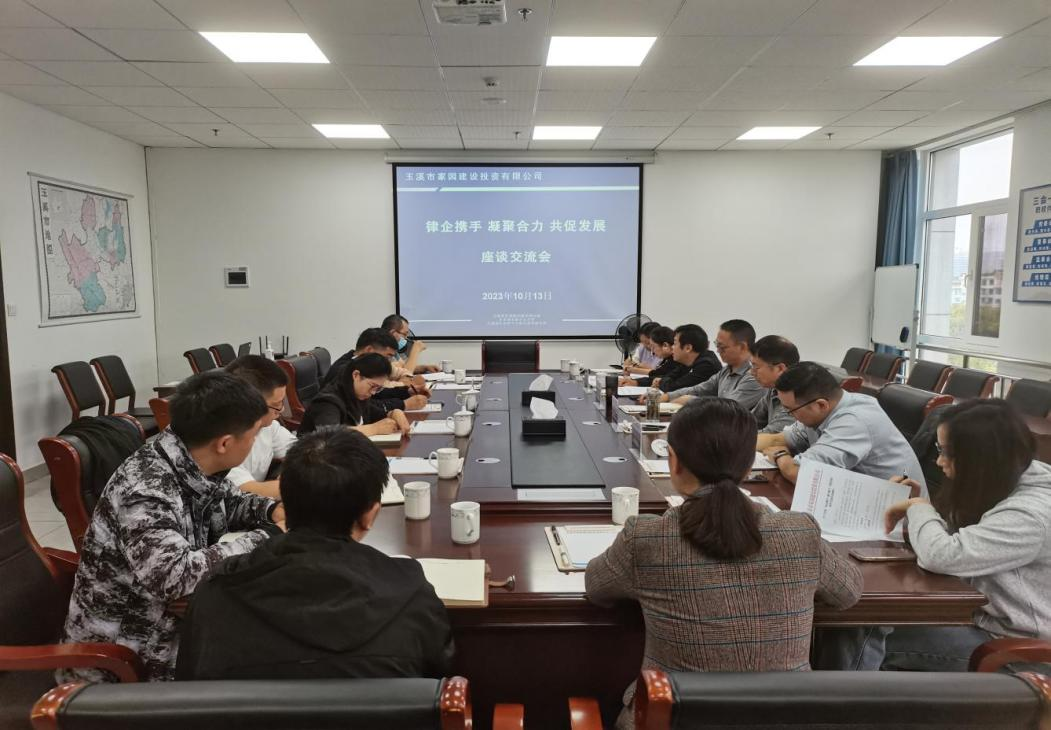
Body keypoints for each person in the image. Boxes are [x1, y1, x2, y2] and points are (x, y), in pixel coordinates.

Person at [586, 398, 863, 729]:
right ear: (749, 467)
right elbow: (849, 592)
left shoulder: (646, 538)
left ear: (673, 461)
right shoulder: (799, 532)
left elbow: (596, 587)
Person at [176, 427, 454, 680]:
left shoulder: (216, 594)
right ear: (370, 515)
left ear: (286, 503)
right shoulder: (410, 594)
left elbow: (191, 694)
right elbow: (438, 685)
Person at [59, 371, 285, 682]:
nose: (256, 440)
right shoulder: (146, 490)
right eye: (255, 434)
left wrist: (272, 510)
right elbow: (176, 576)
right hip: (126, 659)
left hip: (169, 622)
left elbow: (227, 503)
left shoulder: (187, 458)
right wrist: (269, 536)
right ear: (224, 443)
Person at [877, 399, 1051, 672]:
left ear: (981, 456)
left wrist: (919, 507)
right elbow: (964, 538)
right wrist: (918, 506)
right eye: (939, 449)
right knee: (875, 624)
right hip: (979, 619)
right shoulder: (1003, 479)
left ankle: (837, 695)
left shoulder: (1030, 514)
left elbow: (942, 556)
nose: (939, 461)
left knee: (874, 635)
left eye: (947, 452)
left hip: (1015, 647)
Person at [761, 362, 926, 492]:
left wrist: (780, 455)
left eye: (791, 410)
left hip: (897, 515)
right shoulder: (824, 409)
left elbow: (802, 474)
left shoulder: (854, 421)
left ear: (821, 405)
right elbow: (777, 439)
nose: (790, 415)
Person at [225, 355, 296, 499]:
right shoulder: (221, 440)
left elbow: (300, 451)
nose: (282, 410)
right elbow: (248, 491)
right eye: (277, 405)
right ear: (250, 405)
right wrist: (300, 479)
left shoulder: (268, 425)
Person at [299, 353, 410, 436]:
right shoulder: (327, 400)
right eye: (372, 386)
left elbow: (377, 415)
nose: (373, 392)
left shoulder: (357, 394)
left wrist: (393, 413)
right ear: (356, 375)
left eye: (378, 388)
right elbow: (329, 434)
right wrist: (374, 429)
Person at [662, 319, 765, 410]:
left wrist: (691, 400)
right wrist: (667, 396)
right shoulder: (726, 371)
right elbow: (699, 390)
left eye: (722, 347)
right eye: (717, 345)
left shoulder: (754, 375)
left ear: (742, 346)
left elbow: (730, 407)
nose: (718, 350)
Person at [325, 327, 430, 411]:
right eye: (387, 356)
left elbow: (379, 394)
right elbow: (367, 406)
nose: (388, 361)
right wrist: (404, 404)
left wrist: (407, 392)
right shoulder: (345, 372)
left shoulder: (362, 363)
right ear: (369, 350)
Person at [639, 323, 720, 396]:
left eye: (675, 344)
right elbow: (668, 376)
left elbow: (673, 387)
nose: (672, 347)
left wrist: (661, 382)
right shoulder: (687, 361)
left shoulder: (706, 365)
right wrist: (662, 381)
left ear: (688, 348)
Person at [751, 335, 801, 449]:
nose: (751, 372)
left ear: (779, 369)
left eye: (756, 367)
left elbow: (770, 437)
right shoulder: (774, 389)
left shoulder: (797, 397)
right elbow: (750, 421)